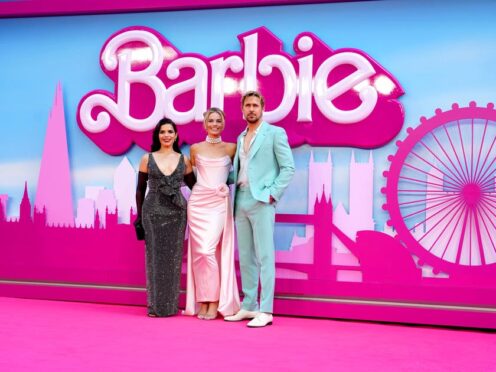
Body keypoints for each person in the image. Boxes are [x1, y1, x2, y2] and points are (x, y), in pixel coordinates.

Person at [225, 91, 295, 327]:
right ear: (242, 109)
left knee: (265, 256)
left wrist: (272, 194)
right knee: (245, 256)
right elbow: (240, 171)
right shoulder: (239, 137)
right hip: (240, 200)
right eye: (248, 106)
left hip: (262, 201)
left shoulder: (275, 133)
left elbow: (288, 168)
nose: (251, 109)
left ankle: (266, 310)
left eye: (255, 105)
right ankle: (249, 305)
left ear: (262, 108)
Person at [135, 118, 195, 317]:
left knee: (173, 260)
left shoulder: (184, 160)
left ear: (176, 135)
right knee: (154, 259)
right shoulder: (147, 158)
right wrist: (139, 216)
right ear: (157, 135)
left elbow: (196, 187)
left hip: (177, 213)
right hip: (152, 212)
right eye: (163, 132)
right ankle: (154, 307)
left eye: (170, 131)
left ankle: (169, 307)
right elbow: (140, 189)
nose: (167, 135)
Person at [184, 107, 240, 320]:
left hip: (218, 203)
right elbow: (193, 177)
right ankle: (204, 301)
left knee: (208, 251)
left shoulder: (231, 148)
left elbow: (235, 175)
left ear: (223, 123)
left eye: (218, 121)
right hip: (198, 203)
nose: (215, 124)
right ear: (205, 124)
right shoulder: (195, 149)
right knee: (200, 255)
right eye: (211, 121)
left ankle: (215, 301)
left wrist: (228, 187)